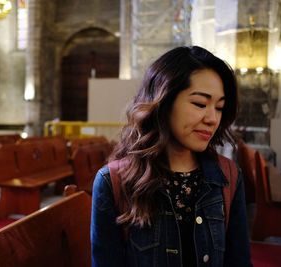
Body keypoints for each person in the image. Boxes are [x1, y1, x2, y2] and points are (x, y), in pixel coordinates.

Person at [91, 46, 252, 267]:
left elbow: (239, 261)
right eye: (200, 104)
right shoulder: (114, 181)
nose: (213, 119)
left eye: (220, 107)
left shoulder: (229, 176)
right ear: (163, 102)